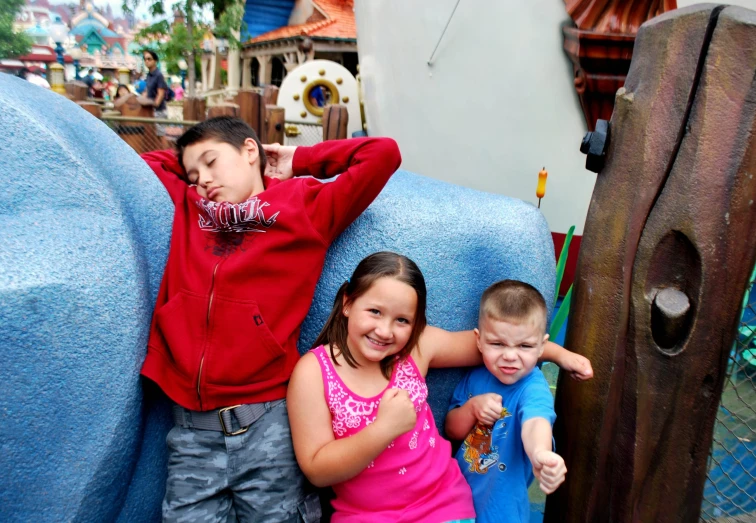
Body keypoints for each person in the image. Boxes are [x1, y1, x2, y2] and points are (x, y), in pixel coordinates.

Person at [139, 116, 401, 522]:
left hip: (268, 425)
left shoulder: (306, 205)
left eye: (212, 162)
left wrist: (300, 157)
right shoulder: (192, 206)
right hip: (192, 433)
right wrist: (191, 162)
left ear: (249, 151)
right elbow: (148, 162)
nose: (203, 179)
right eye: (194, 173)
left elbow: (382, 155)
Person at [287, 253, 592, 522]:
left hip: (443, 505)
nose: (385, 330)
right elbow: (317, 469)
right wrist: (384, 429)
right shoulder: (315, 372)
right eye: (375, 312)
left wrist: (557, 354)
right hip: (367, 515)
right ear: (348, 303)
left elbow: (498, 349)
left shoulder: (416, 348)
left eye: (402, 320)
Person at [445, 280, 569, 523]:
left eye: (524, 345)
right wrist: (472, 409)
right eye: (497, 344)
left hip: (503, 509)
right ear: (479, 341)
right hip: (455, 501)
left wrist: (541, 454)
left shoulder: (532, 387)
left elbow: (536, 422)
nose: (510, 356)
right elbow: (452, 430)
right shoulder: (476, 376)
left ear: (542, 346)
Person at [142, 49, 168, 141]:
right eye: (145, 59)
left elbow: (161, 93)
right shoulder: (149, 75)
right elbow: (147, 91)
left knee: (161, 134)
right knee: (153, 135)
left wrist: (155, 104)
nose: (147, 61)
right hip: (150, 109)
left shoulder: (158, 75)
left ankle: (165, 153)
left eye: (149, 59)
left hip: (158, 109)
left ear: (155, 61)